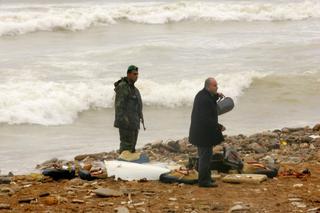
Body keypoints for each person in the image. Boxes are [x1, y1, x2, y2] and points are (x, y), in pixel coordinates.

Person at [189, 77, 225, 188]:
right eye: (215, 85)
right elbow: (206, 119)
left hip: (201, 132)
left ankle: (206, 178)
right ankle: (204, 181)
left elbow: (210, 103)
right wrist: (219, 127)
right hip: (202, 133)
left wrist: (216, 96)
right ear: (208, 86)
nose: (217, 87)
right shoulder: (204, 99)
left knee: (206, 156)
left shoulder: (204, 95)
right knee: (205, 157)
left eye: (217, 85)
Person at [114, 65, 144, 154]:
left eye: (137, 74)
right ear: (128, 74)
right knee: (126, 147)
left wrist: (140, 117)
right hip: (126, 123)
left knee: (132, 147)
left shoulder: (134, 89)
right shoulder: (123, 87)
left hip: (134, 122)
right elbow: (119, 105)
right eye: (134, 74)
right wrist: (124, 120)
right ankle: (122, 163)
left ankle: (129, 163)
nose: (136, 76)